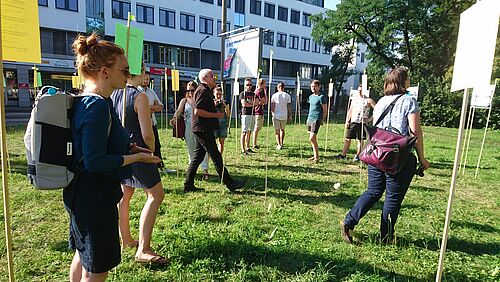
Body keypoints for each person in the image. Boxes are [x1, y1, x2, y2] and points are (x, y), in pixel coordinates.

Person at [67, 33, 160, 281]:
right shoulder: (96, 105)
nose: (129, 76)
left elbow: (104, 143)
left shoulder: (96, 101)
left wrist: (131, 149)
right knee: (97, 269)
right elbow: (95, 161)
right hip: (93, 196)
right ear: (105, 72)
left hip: (84, 193)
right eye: (125, 70)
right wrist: (134, 159)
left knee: (83, 253)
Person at [340, 67, 430, 244]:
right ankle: (386, 237)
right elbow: (414, 132)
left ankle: (348, 222)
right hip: (398, 157)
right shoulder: (409, 101)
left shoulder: (381, 101)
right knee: (393, 198)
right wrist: (422, 158)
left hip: (377, 152)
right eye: (408, 78)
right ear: (403, 82)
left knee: (373, 191)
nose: (409, 81)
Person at [111, 65, 168, 265]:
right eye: (144, 70)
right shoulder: (139, 96)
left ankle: (126, 239)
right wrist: (150, 150)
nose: (146, 75)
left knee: (125, 195)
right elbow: (147, 134)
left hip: (121, 151)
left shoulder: (114, 93)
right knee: (156, 195)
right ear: (139, 73)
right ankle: (143, 249)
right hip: (139, 153)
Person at [184, 69, 246, 192]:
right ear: (204, 78)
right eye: (212, 76)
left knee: (197, 158)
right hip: (202, 129)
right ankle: (230, 183)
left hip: (202, 128)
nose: (215, 78)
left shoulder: (205, 91)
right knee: (216, 156)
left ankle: (188, 185)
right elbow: (198, 111)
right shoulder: (202, 91)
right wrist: (216, 115)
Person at [170, 81, 210, 181]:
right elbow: (178, 113)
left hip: (199, 128)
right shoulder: (184, 101)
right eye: (188, 90)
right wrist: (174, 120)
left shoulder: (200, 99)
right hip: (188, 128)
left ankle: (205, 171)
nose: (190, 92)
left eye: (192, 90)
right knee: (190, 149)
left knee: (203, 150)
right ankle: (192, 170)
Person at [336, 85, 376, 161]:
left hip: (362, 123)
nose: (359, 92)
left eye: (361, 90)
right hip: (353, 122)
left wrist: (370, 119)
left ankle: (358, 155)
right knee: (348, 138)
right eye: (358, 90)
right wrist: (347, 121)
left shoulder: (368, 100)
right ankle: (343, 154)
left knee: (360, 140)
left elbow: (377, 109)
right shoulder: (354, 99)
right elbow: (350, 110)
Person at [138, 71, 165, 168]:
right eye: (144, 79)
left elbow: (160, 106)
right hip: (142, 124)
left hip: (152, 122)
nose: (146, 81)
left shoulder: (151, 91)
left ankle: (159, 164)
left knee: (157, 145)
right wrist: (152, 107)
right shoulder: (137, 91)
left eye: (148, 79)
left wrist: (146, 108)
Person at [306, 80, 327, 163]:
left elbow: (325, 110)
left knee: (312, 137)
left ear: (319, 87)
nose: (313, 88)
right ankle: (315, 155)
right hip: (310, 118)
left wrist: (322, 119)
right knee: (311, 139)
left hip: (316, 119)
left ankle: (317, 158)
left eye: (315, 86)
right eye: (312, 86)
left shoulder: (321, 97)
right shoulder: (311, 97)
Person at [271, 82, 292, 150]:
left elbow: (272, 106)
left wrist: (272, 114)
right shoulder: (287, 95)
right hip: (284, 115)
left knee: (277, 131)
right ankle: (281, 143)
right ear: (283, 87)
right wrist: (290, 115)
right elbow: (289, 106)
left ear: (278, 88)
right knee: (282, 130)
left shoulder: (274, 95)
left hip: (276, 115)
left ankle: (279, 144)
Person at [240, 78, 255, 155]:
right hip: (245, 114)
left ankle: (248, 147)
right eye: (247, 85)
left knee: (250, 131)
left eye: (250, 84)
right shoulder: (243, 93)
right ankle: (243, 149)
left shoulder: (253, 94)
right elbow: (244, 104)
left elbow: (258, 102)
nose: (249, 86)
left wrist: (251, 104)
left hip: (252, 113)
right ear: (245, 85)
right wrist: (253, 104)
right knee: (244, 132)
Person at [213, 86, 230, 154]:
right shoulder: (211, 102)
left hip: (223, 124)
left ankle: (219, 157)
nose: (218, 96)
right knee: (212, 143)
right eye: (217, 94)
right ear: (214, 94)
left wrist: (225, 106)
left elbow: (228, 115)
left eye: (220, 94)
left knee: (221, 142)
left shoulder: (225, 102)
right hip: (214, 124)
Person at [252, 78, 267, 149]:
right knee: (256, 128)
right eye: (265, 83)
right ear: (262, 84)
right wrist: (265, 93)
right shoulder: (260, 91)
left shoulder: (257, 91)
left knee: (257, 128)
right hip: (258, 111)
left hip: (258, 110)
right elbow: (265, 101)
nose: (266, 85)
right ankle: (254, 143)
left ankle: (254, 143)